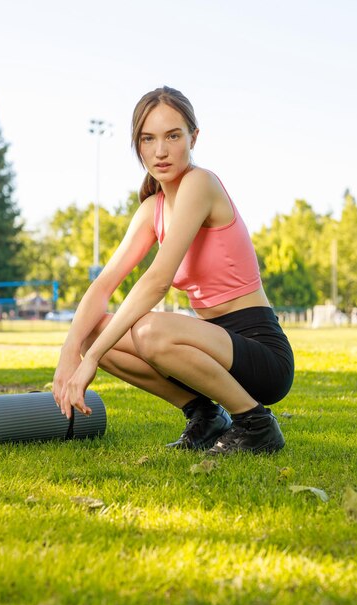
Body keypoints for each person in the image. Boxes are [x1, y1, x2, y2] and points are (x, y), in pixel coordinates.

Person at [52, 86, 294, 455]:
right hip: (208, 346)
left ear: (193, 137)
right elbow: (103, 284)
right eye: (148, 139)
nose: (160, 151)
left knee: (150, 330)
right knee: (90, 330)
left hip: (260, 352)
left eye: (172, 136)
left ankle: (255, 424)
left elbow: (157, 280)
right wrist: (72, 350)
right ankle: (205, 415)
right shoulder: (153, 210)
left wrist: (94, 360)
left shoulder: (201, 183)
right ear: (138, 146)